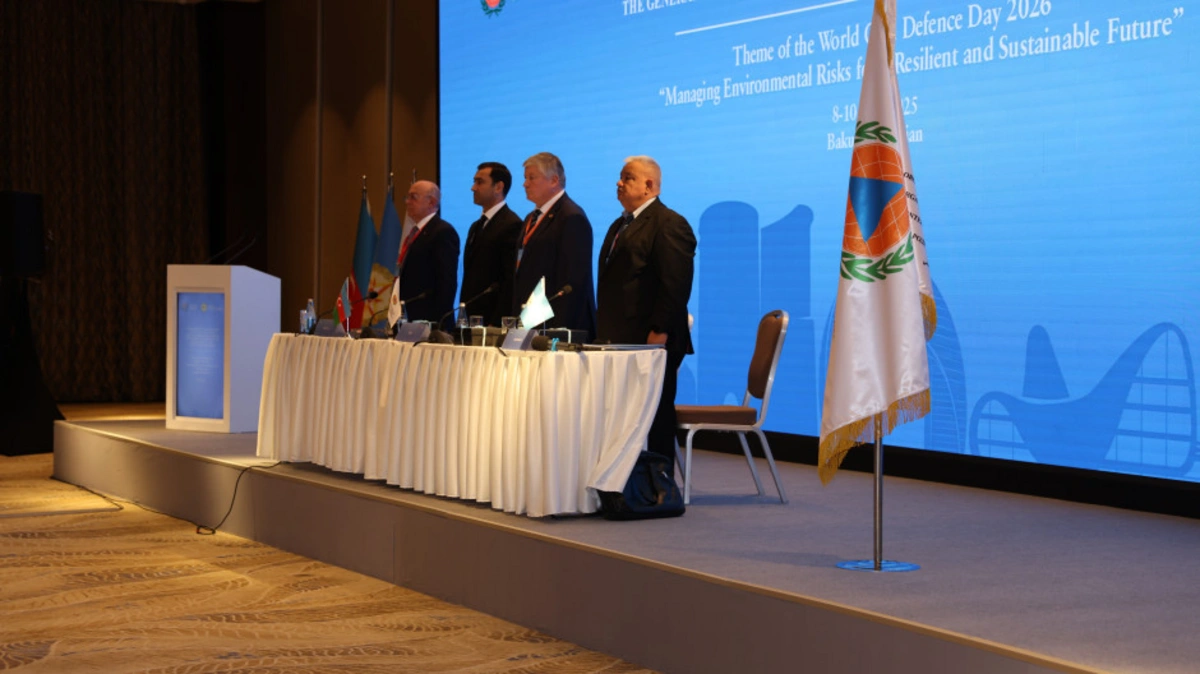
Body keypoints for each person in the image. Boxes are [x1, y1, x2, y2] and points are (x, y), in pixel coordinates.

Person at [596, 156, 696, 469]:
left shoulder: (669, 223)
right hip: (620, 339)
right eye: (620, 176)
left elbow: (675, 284)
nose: (619, 183)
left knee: (655, 414)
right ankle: (624, 480)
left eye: (627, 177)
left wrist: (659, 332)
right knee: (622, 416)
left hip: (651, 340)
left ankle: (659, 483)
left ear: (649, 185)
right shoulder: (620, 224)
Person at [511, 152, 597, 340]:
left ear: (554, 180)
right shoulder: (531, 218)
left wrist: (557, 332)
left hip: (555, 326)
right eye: (525, 178)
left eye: (531, 177)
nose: (525, 184)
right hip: (529, 321)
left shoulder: (571, 217)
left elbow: (572, 282)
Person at [461, 162, 522, 327]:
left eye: (479, 182)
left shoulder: (512, 224)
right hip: (471, 318)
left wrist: (496, 323)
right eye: (474, 181)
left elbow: (509, 281)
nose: (473, 188)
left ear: (498, 187)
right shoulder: (476, 226)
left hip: (492, 321)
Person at [395, 180, 460, 331]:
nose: (407, 202)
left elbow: (446, 282)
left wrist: (438, 325)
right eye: (407, 197)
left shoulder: (442, 232)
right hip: (408, 318)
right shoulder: (415, 232)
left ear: (431, 202)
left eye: (413, 197)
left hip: (430, 322)